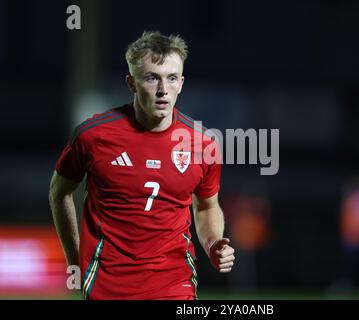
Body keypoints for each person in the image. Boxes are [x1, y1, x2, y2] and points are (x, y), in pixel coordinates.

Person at [49, 31, 235, 300]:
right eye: (152, 78)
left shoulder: (203, 144)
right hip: (108, 283)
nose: (163, 90)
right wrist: (75, 261)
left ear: (181, 83)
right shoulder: (93, 136)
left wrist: (213, 242)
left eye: (171, 78)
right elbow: (59, 192)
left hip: (173, 282)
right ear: (131, 83)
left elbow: (206, 206)